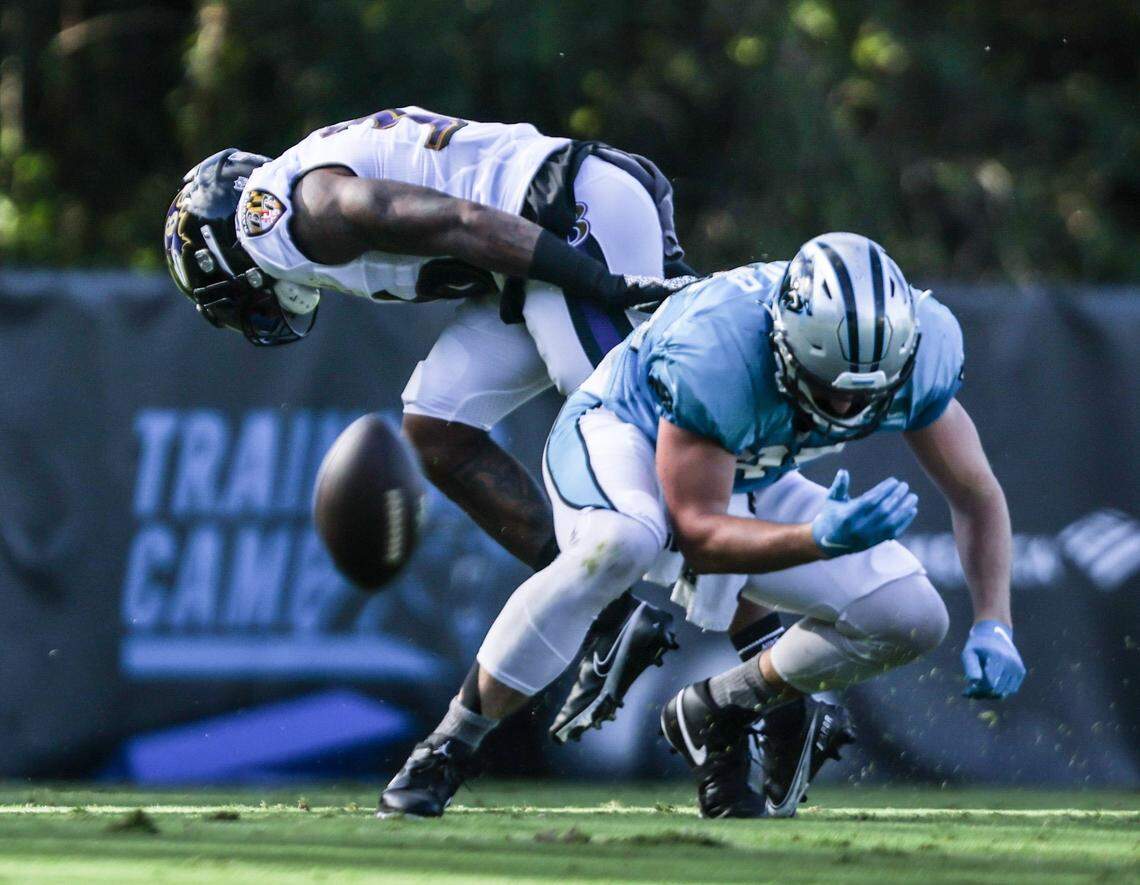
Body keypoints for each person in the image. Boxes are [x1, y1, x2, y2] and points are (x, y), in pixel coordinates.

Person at [379, 232, 1026, 819]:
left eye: (868, 394)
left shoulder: (918, 350)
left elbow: (976, 493)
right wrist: (819, 537)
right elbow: (699, 538)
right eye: (830, 388)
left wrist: (994, 620)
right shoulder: (721, 347)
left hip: (743, 465)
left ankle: (722, 708)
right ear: (786, 339)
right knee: (621, 541)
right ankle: (448, 745)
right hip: (621, 433)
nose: (848, 406)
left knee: (911, 614)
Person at [163, 105, 708, 744]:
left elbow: (461, 221)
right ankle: (611, 613)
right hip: (522, 254)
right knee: (436, 428)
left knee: (628, 443)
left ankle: (768, 652)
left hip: (565, 214)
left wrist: (600, 283)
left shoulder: (292, 219)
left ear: (231, 247)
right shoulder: (299, 202)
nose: (246, 312)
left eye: (229, 296)